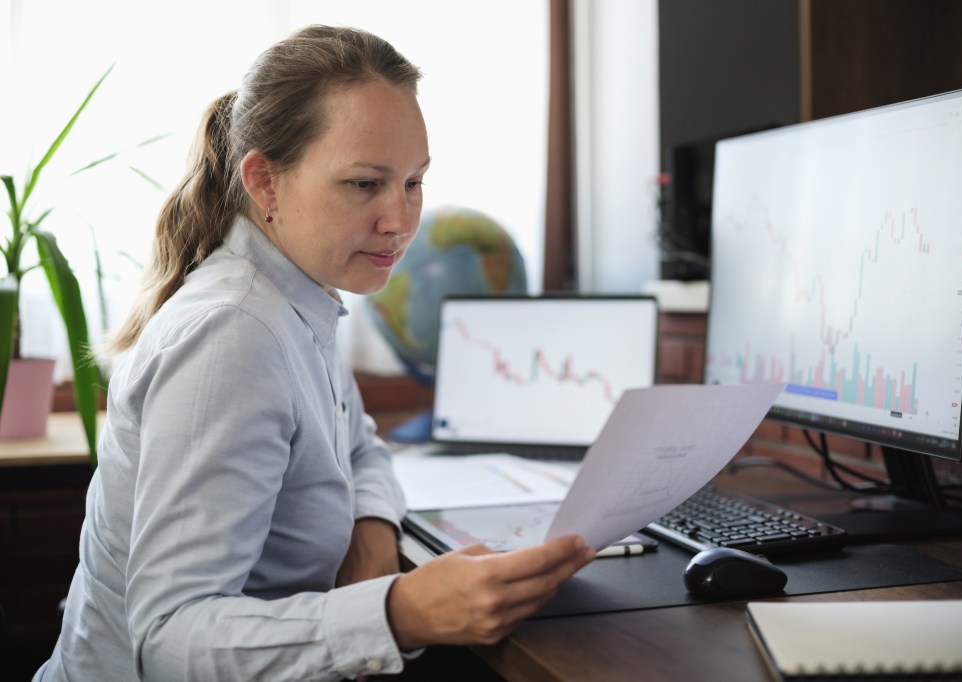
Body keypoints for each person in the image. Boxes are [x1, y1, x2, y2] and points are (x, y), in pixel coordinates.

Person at [34, 24, 595, 681]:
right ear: (265, 183)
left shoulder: (303, 293)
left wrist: (372, 532)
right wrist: (395, 614)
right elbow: (168, 640)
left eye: (414, 183)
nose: (400, 220)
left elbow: (358, 445)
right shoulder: (233, 336)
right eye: (364, 184)